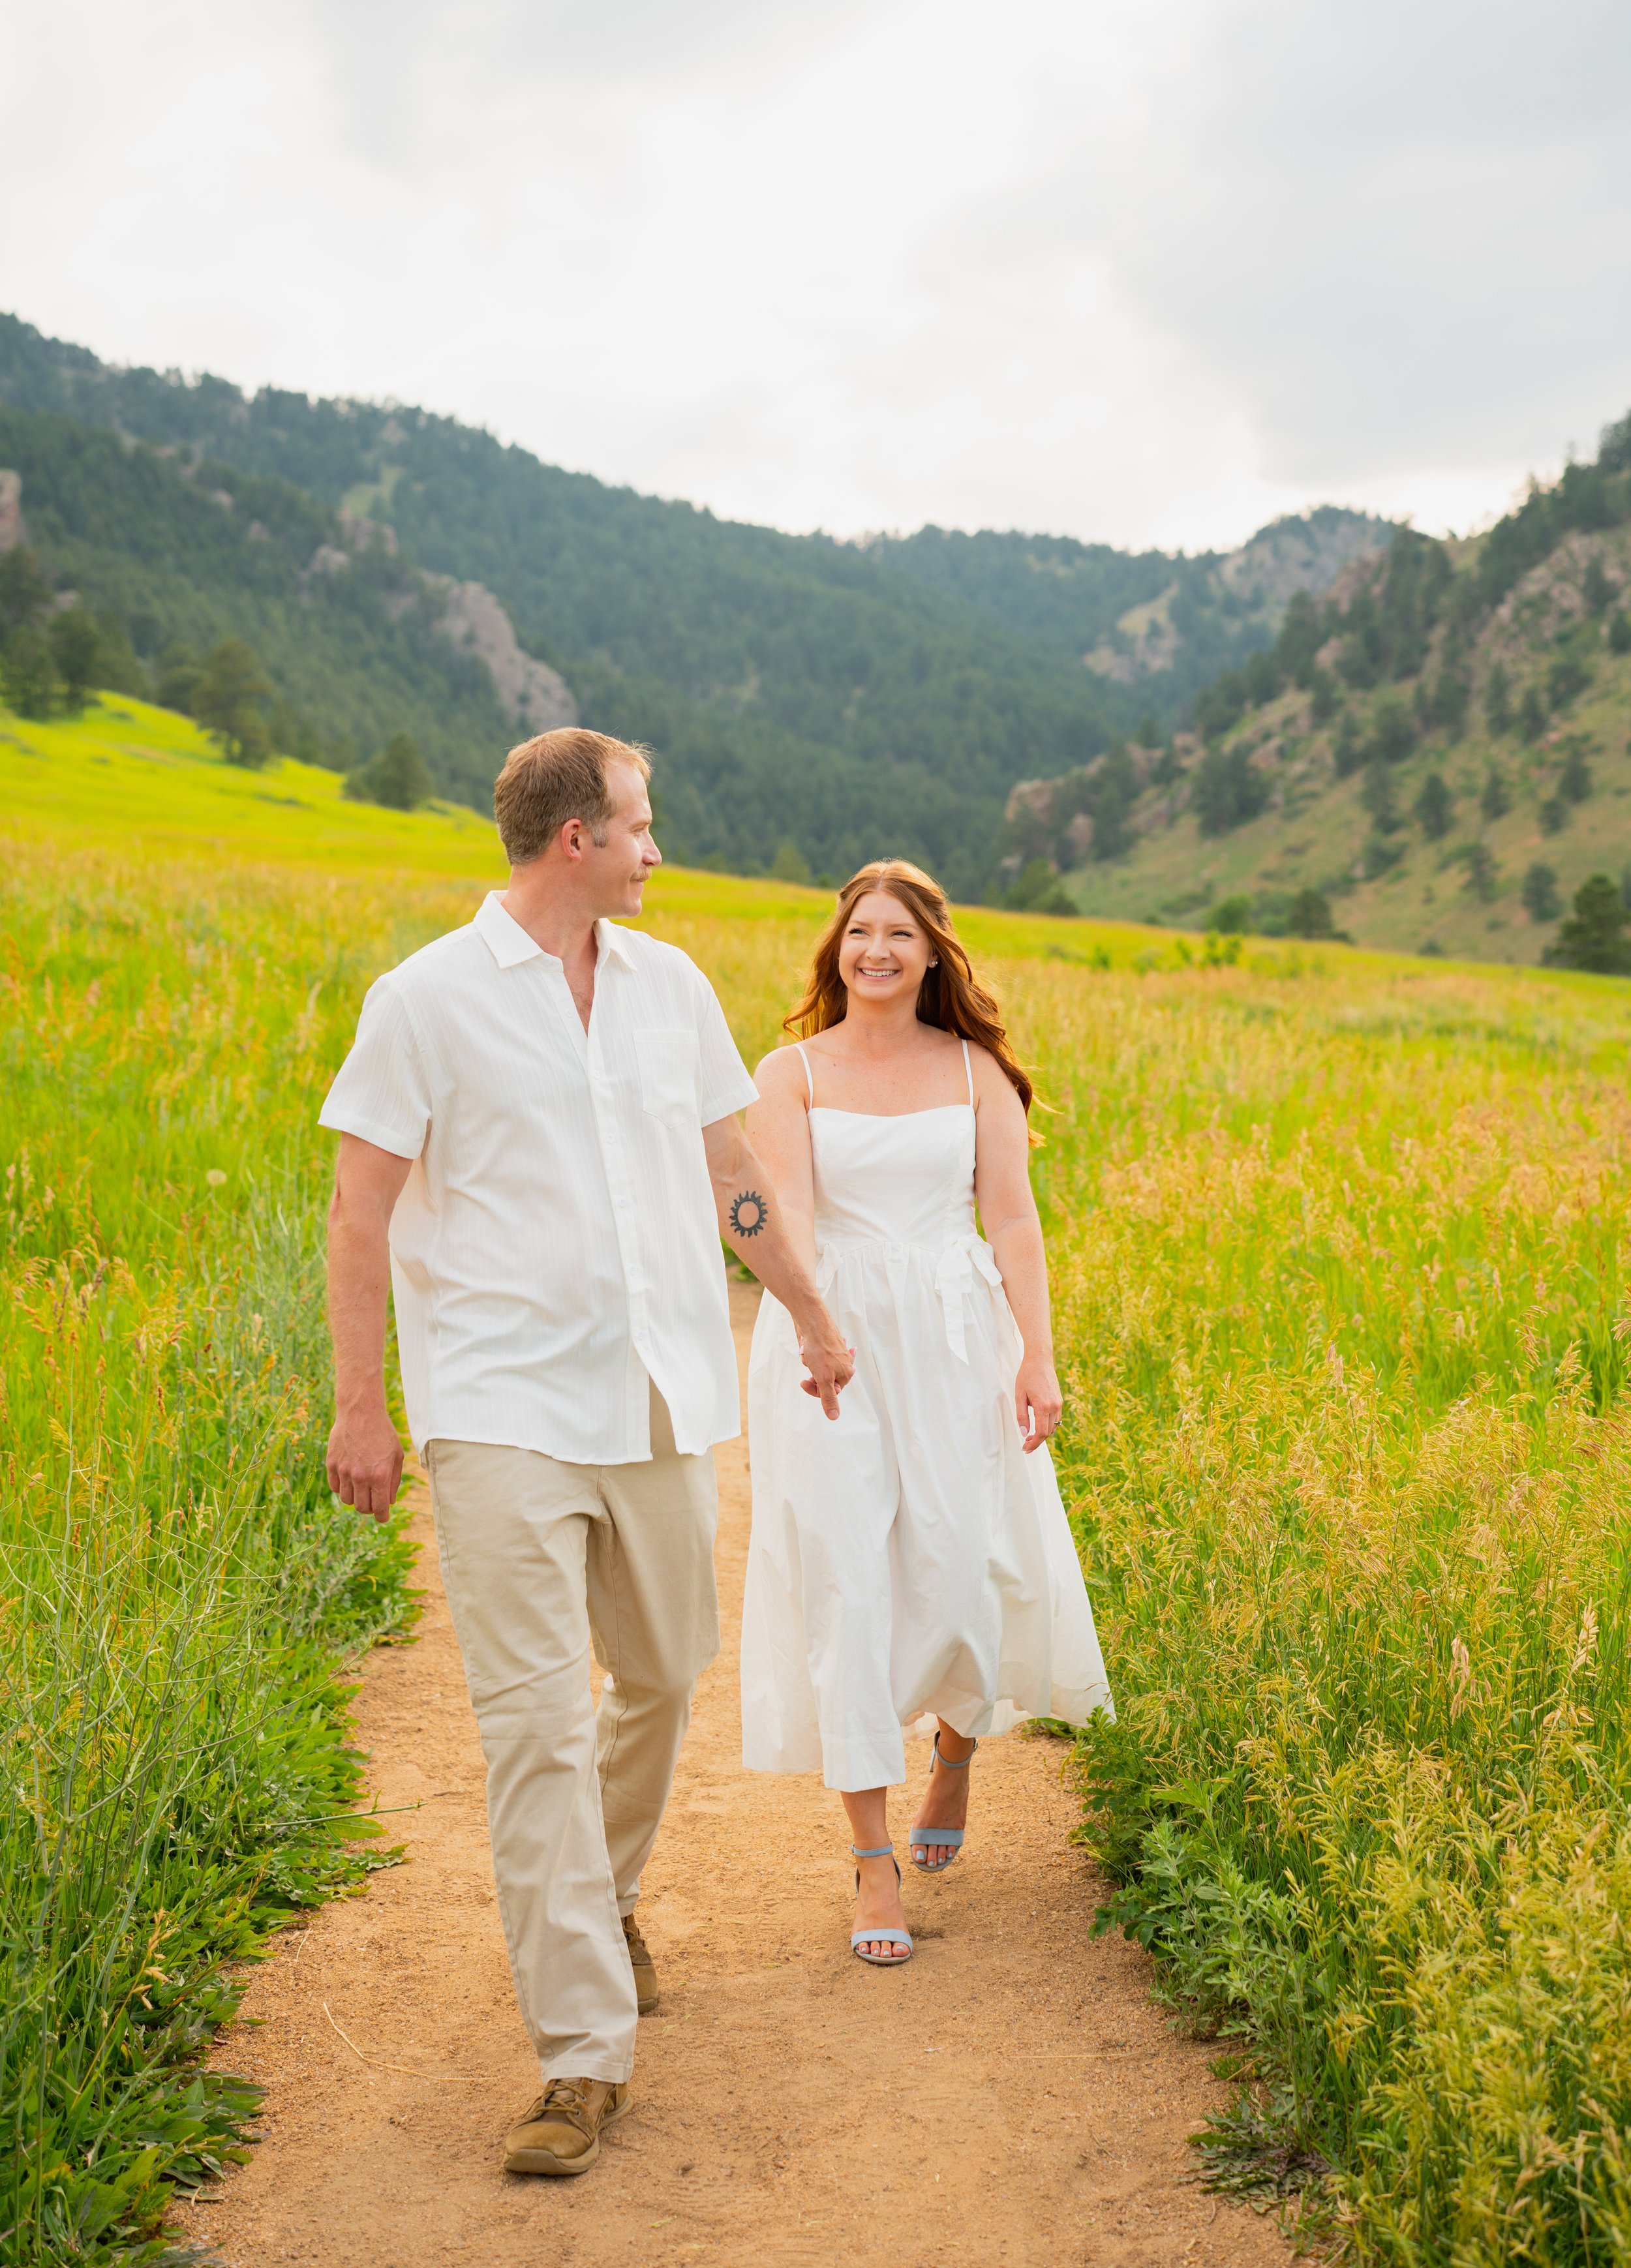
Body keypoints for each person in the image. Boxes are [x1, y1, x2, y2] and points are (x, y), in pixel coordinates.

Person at [320, 729, 851, 2174]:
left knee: (668, 1670)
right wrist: (359, 1405)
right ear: (575, 839)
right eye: (640, 824)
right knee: (534, 1726)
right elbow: (360, 1211)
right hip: (497, 1408)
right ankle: (577, 2054)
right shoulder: (422, 1001)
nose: (656, 848)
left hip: (661, 1393)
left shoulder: (669, 989)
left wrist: (807, 1308)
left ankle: (601, 1892)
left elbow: (730, 1175)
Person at [739, 858, 1112, 1964]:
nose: (878, 952)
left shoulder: (975, 1070)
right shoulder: (791, 1071)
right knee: (849, 1578)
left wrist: (1037, 1356)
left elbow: (1014, 1222)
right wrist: (815, 1322)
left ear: (933, 953)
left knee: (958, 1567)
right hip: (832, 1338)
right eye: (861, 933)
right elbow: (789, 1206)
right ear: (837, 949)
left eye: (901, 934)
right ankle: (870, 1862)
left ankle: (955, 1747)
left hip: (955, 1333)